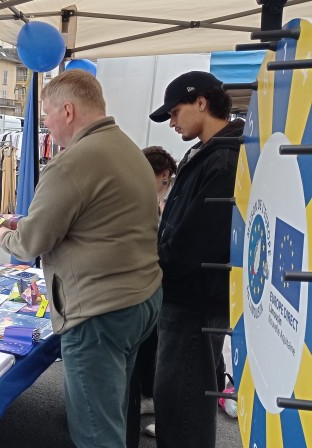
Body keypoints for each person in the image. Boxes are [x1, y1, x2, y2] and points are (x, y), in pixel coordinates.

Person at [0, 70, 163, 448]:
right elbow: (97, 217)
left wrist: (3, 234)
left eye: (48, 115)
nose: (47, 125)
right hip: (138, 298)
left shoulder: (72, 162)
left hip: (98, 311)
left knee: (95, 430)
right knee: (111, 407)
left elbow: (32, 242)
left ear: (67, 111)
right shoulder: (127, 148)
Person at [148, 71, 242, 448]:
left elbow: (195, 240)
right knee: (184, 392)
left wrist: (155, 262)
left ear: (201, 102)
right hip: (190, 296)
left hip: (193, 300)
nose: (172, 122)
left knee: (182, 397)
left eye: (175, 112)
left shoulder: (224, 158)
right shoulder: (208, 152)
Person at [126, 145, 177, 445]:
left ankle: (159, 407)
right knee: (150, 349)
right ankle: (149, 397)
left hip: (161, 287)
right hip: (151, 287)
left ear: (164, 176)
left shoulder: (169, 200)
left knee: (162, 353)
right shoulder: (157, 198)